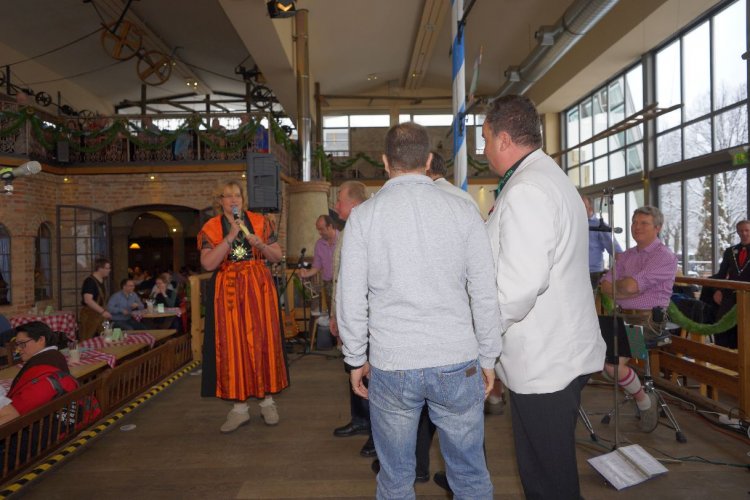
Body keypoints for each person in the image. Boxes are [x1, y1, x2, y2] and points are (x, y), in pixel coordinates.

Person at [338, 122, 501, 499]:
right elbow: (484, 292)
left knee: (396, 478)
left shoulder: (364, 216)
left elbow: (351, 296)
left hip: (393, 361)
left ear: (384, 162)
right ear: (428, 161)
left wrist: (355, 358)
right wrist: (489, 356)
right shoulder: (463, 210)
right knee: (470, 475)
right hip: (456, 357)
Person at [482, 95, 606, 499]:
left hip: (545, 360)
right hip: (554, 353)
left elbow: (519, 285)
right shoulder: (546, 177)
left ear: (503, 139)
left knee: (548, 483)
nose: (483, 150)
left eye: (485, 139)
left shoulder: (528, 189)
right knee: (549, 476)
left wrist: (481, 338)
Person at [198, 180, 288, 433]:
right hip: (228, 293)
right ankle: (239, 409)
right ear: (220, 201)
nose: (233, 200)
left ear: (243, 199)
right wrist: (229, 238)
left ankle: (267, 402)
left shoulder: (260, 221)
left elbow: (277, 256)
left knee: (263, 341)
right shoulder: (211, 227)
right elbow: (208, 264)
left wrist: (261, 245)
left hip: (259, 289)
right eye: (228, 196)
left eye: (237, 195)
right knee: (232, 345)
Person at [600, 206, 678, 431]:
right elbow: (605, 286)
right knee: (596, 358)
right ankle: (636, 390)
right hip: (620, 317)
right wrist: (626, 289)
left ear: (658, 227)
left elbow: (630, 286)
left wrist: (625, 289)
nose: (637, 227)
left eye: (644, 223)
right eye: (634, 222)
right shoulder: (627, 255)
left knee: (612, 367)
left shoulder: (664, 257)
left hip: (647, 322)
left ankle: (644, 402)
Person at [328, 181, 375, 458]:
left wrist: (350, 315)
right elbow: (339, 278)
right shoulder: (347, 229)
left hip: (365, 315)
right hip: (347, 311)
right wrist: (335, 314)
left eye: (339, 200)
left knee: (369, 372)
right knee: (352, 365)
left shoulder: (368, 226)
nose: (336, 206)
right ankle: (359, 419)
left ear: (354, 203)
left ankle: (376, 432)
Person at [0, 322, 76, 425]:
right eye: (17, 345)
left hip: (37, 423)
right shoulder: (55, 356)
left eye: (22, 343)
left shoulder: (43, 363)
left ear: (41, 340)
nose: (18, 350)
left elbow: (18, 411)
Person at [710, 219, 750, 349]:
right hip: (730, 296)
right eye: (741, 231)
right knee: (721, 325)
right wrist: (718, 290)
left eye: (747, 230)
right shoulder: (730, 251)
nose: (744, 233)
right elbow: (721, 274)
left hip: (748, 296)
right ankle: (723, 356)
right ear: (737, 232)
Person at [298, 215, 338, 314]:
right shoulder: (319, 244)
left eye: (321, 229)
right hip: (328, 284)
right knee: (332, 314)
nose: (319, 232)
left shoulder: (343, 239)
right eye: (318, 229)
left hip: (342, 283)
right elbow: (317, 266)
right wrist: (306, 273)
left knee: (344, 313)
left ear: (330, 226)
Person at [583, 194, 623, 289]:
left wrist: (623, 271)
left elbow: (616, 250)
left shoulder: (599, 226)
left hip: (592, 273)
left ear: (590, 208)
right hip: (574, 270)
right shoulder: (575, 224)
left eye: (582, 206)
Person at [80, 258, 112, 340]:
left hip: (100, 315)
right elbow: (88, 300)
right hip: (90, 315)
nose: (109, 270)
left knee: (107, 337)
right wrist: (103, 311)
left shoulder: (102, 281)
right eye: (107, 268)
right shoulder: (90, 282)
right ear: (100, 268)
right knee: (86, 340)